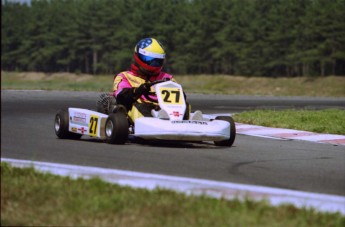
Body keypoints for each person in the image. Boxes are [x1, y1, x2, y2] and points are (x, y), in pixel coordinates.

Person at [98, 37, 202, 123]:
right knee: (138, 106)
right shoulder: (125, 76)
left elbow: (180, 97)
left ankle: (185, 121)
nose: (154, 64)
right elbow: (121, 96)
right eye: (150, 60)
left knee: (186, 105)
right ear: (139, 56)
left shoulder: (167, 78)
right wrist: (138, 91)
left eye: (157, 61)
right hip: (140, 109)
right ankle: (156, 121)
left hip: (166, 109)